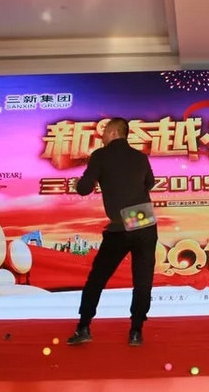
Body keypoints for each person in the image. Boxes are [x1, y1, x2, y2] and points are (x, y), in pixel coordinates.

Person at [67, 117, 157, 347]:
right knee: (143, 279)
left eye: (105, 131)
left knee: (98, 277)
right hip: (143, 220)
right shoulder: (140, 157)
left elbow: (84, 189)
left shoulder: (100, 155)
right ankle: (136, 331)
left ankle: (84, 326)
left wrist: (79, 183)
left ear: (115, 132)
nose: (102, 135)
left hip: (120, 224)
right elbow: (149, 183)